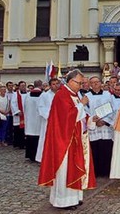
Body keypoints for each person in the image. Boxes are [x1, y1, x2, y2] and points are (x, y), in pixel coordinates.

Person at [39, 69, 95, 209]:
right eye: (79, 82)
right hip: (65, 139)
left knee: (74, 168)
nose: (81, 85)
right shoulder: (62, 95)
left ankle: (75, 198)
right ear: (70, 81)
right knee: (65, 170)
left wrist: (91, 119)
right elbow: (67, 117)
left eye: (82, 83)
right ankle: (63, 201)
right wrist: (82, 104)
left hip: (76, 137)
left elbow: (79, 115)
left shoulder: (75, 94)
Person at [85, 76, 115, 177]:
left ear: (101, 83)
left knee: (106, 149)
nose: (95, 84)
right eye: (92, 82)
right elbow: (85, 111)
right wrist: (94, 121)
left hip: (106, 127)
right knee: (95, 150)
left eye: (97, 82)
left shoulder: (108, 95)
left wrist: (105, 121)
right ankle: (95, 172)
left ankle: (106, 171)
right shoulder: (87, 96)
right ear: (90, 85)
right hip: (94, 127)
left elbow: (113, 108)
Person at [36, 78, 59, 162]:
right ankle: (43, 158)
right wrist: (49, 116)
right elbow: (40, 107)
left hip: (60, 122)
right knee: (45, 139)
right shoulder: (44, 95)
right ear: (50, 85)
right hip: (48, 121)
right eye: (53, 84)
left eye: (57, 83)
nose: (56, 85)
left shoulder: (62, 94)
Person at [24, 80, 43, 161]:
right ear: (41, 85)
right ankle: (37, 155)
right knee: (37, 138)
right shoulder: (42, 95)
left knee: (30, 137)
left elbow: (25, 106)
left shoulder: (28, 95)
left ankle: (30, 155)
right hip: (38, 119)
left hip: (29, 119)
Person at [10, 80, 27, 149]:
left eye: (24, 86)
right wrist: (17, 111)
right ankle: (18, 144)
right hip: (18, 115)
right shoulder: (15, 94)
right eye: (22, 86)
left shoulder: (28, 94)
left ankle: (24, 144)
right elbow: (13, 103)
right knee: (18, 130)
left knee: (24, 130)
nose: (23, 87)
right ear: (19, 87)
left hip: (26, 114)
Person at [0, 83, 10, 147]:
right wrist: (2, 112)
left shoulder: (7, 97)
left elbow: (9, 105)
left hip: (6, 114)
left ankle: (3, 140)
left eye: (5, 90)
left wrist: (7, 111)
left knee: (5, 128)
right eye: (2, 90)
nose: (4, 91)